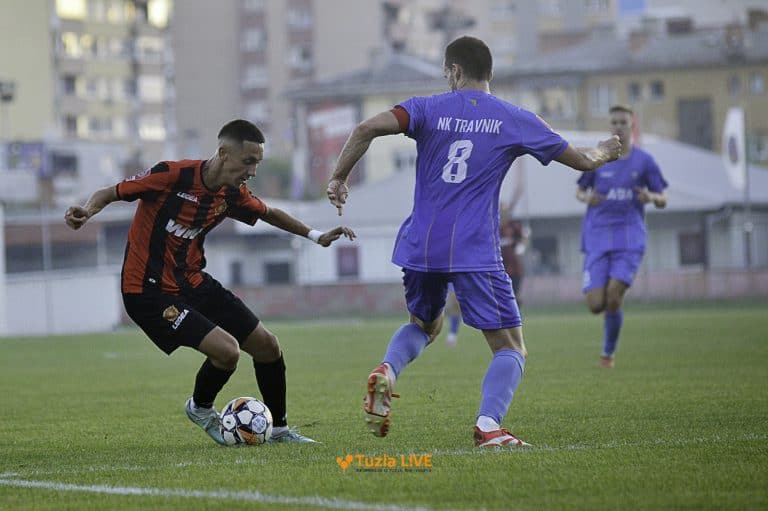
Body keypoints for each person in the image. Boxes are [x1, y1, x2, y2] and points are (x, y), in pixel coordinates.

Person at [326, 36, 621, 447]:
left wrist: (339, 176)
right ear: (490, 74)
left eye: (447, 73)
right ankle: (488, 426)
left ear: (455, 71)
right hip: (473, 249)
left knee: (423, 327)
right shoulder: (513, 118)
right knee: (511, 348)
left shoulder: (425, 108)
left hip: (421, 244)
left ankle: (388, 371)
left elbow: (366, 128)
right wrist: (606, 150)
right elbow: (583, 160)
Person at [65, 119, 355, 445]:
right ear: (223, 154)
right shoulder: (171, 176)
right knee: (228, 352)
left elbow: (269, 213)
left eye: (258, 162)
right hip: (147, 291)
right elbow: (110, 192)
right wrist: (87, 211)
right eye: (248, 161)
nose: (253, 171)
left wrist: (316, 236)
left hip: (192, 281)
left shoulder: (232, 194)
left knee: (267, 347)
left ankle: (280, 431)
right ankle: (200, 408)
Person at [576, 104, 668, 369]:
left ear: (632, 125)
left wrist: (651, 197)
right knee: (596, 304)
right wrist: (588, 197)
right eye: (614, 122)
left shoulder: (644, 161)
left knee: (614, 295)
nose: (618, 126)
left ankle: (608, 353)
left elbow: (663, 197)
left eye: (623, 122)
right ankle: (608, 316)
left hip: (630, 237)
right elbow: (580, 191)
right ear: (609, 126)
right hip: (598, 236)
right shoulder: (598, 158)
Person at [499, 214, 529, 301]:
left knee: (515, 293)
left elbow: (524, 237)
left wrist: (521, 249)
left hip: (514, 268)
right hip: (501, 268)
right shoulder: (495, 226)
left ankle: (517, 312)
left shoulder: (513, 226)